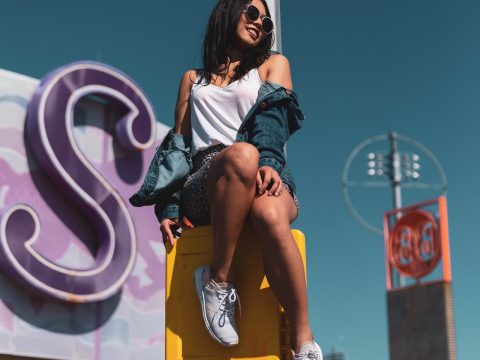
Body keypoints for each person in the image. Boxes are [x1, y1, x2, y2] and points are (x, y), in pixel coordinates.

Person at [159, 1, 322, 359]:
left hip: (266, 165)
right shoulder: (193, 79)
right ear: (229, 12)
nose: (259, 23)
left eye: (265, 21)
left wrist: (267, 161)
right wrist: (169, 206)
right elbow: (180, 145)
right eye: (251, 13)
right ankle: (217, 280)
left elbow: (272, 121)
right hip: (208, 181)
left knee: (269, 214)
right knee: (240, 155)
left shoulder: (272, 66)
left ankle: (304, 341)